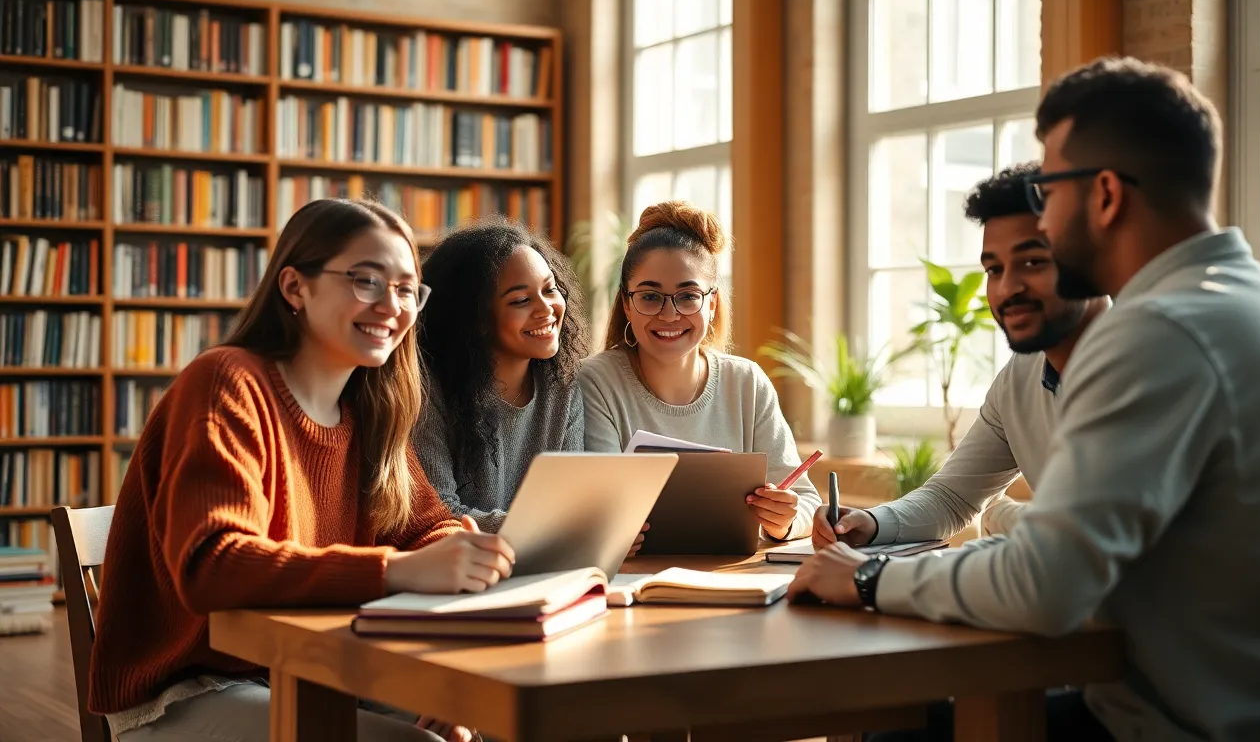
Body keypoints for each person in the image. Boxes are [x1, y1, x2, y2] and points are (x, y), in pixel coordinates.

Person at [788, 56, 1260, 741]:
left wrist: (868, 580)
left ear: (1106, 195)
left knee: (883, 729)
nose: (1043, 222)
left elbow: (1043, 587)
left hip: (1183, 727)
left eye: (1050, 192)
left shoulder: (1157, 333)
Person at [87, 198, 515, 742]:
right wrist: (399, 571)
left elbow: (426, 526)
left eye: (407, 289)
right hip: (188, 691)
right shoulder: (226, 384)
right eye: (366, 280)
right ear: (295, 288)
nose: (392, 305)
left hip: (318, 670)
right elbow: (212, 567)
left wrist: (459, 552)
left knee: (494, 723)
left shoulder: (369, 413)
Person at [812, 161, 1109, 551]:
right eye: (994, 268)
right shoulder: (1020, 376)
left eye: (1033, 261)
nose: (1007, 288)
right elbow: (953, 497)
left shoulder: (1145, 362)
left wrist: (873, 581)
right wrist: (870, 522)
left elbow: (1087, 544)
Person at [580, 200, 821, 552]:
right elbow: (595, 508)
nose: (669, 314)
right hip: (631, 584)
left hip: (733, 581)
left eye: (688, 296)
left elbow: (806, 502)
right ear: (627, 304)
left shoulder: (747, 383)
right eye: (649, 296)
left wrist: (786, 520)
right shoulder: (596, 382)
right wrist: (609, 530)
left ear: (712, 303)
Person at [412, 220, 590, 532]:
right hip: (459, 568)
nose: (546, 309)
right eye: (521, 300)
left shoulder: (563, 385)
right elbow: (438, 514)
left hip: (542, 566)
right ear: (475, 317)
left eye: (550, 289)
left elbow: (568, 504)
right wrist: (551, 530)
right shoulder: (428, 390)